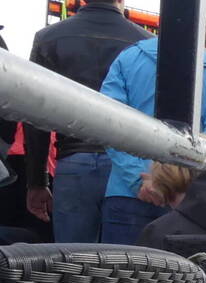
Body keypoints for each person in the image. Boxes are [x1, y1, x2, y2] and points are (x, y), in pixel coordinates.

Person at [100, 0, 206, 244]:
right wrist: (169, 183)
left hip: (127, 194)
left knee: (118, 279)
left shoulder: (128, 58)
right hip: (183, 201)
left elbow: (108, 125)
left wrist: (137, 178)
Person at [23, 0, 151, 242]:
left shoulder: (48, 37)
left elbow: (35, 115)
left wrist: (37, 181)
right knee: (124, 268)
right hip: (126, 169)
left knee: (73, 264)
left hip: (73, 163)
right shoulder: (144, 44)